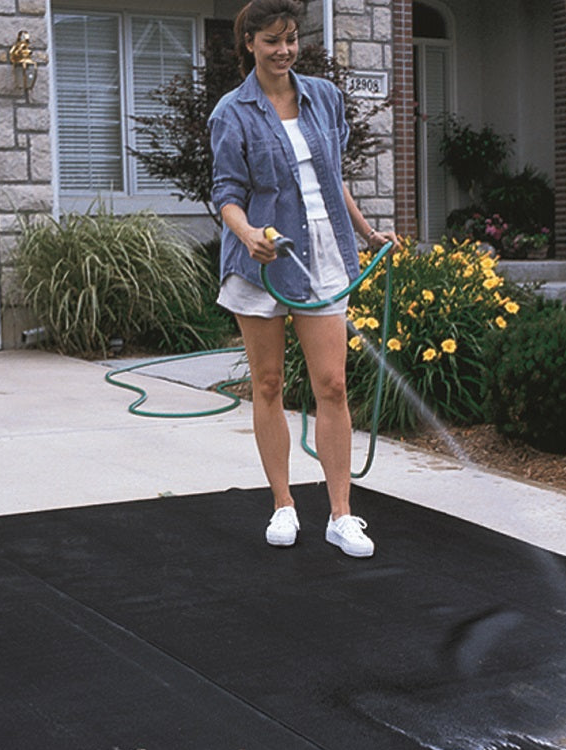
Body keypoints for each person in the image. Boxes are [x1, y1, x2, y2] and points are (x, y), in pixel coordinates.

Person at [209, 0, 397, 558]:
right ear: (249, 44)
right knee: (268, 385)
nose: (284, 50)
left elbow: (332, 178)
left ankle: (341, 514)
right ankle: (284, 505)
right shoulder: (232, 112)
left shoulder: (324, 97)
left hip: (323, 254)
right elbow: (226, 194)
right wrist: (248, 236)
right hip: (263, 260)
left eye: (290, 39)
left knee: (332, 386)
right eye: (271, 41)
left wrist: (366, 232)